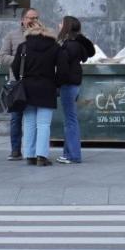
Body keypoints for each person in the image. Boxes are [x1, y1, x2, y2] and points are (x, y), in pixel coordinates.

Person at [10, 19, 60, 166]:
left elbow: (15, 67)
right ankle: (41, 156)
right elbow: (62, 67)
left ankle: (30, 155)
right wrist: (56, 82)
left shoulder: (23, 46)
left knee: (29, 123)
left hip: (27, 88)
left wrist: (24, 78)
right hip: (46, 87)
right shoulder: (54, 46)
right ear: (45, 31)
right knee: (44, 124)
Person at [54, 16, 96, 165]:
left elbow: (62, 70)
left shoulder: (67, 46)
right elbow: (91, 52)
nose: (58, 25)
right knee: (70, 119)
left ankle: (73, 155)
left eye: (61, 23)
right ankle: (68, 153)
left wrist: (57, 84)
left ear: (66, 26)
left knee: (70, 120)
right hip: (75, 83)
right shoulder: (77, 44)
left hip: (68, 85)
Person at [0, 7, 40, 160]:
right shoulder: (12, 35)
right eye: (31, 18)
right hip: (16, 82)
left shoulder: (42, 35)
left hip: (35, 82)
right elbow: (2, 57)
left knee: (35, 118)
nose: (34, 21)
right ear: (23, 19)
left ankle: (34, 149)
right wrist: (20, 61)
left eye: (36, 18)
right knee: (16, 117)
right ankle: (16, 150)